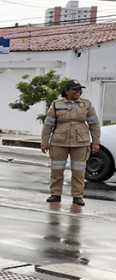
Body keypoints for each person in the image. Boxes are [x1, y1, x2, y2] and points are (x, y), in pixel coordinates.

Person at [41, 79, 101, 207]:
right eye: (75, 90)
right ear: (67, 91)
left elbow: (94, 124)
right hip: (59, 142)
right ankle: (55, 194)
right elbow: (48, 124)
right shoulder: (56, 104)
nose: (78, 92)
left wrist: (96, 142)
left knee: (79, 171)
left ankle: (77, 196)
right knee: (57, 170)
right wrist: (44, 142)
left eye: (80, 89)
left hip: (81, 142)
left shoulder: (86, 104)